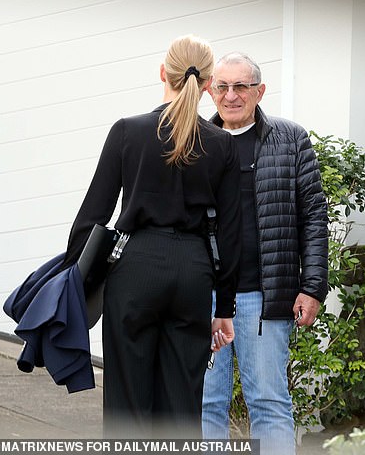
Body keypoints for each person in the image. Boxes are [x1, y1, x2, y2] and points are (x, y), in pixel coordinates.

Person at [61, 35, 241, 437]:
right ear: (210, 84)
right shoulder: (223, 145)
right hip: (193, 273)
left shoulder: (128, 131)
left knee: (128, 402)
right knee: (182, 404)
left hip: (136, 266)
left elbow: (93, 216)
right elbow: (231, 235)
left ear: (164, 73)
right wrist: (223, 308)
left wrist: (73, 276)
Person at [201, 52, 329, 455]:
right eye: (222, 86)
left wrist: (313, 287)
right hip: (203, 295)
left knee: (270, 404)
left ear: (259, 91)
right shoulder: (196, 141)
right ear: (209, 90)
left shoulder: (289, 138)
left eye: (241, 86)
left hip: (263, 297)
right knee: (205, 404)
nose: (232, 95)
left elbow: (313, 215)